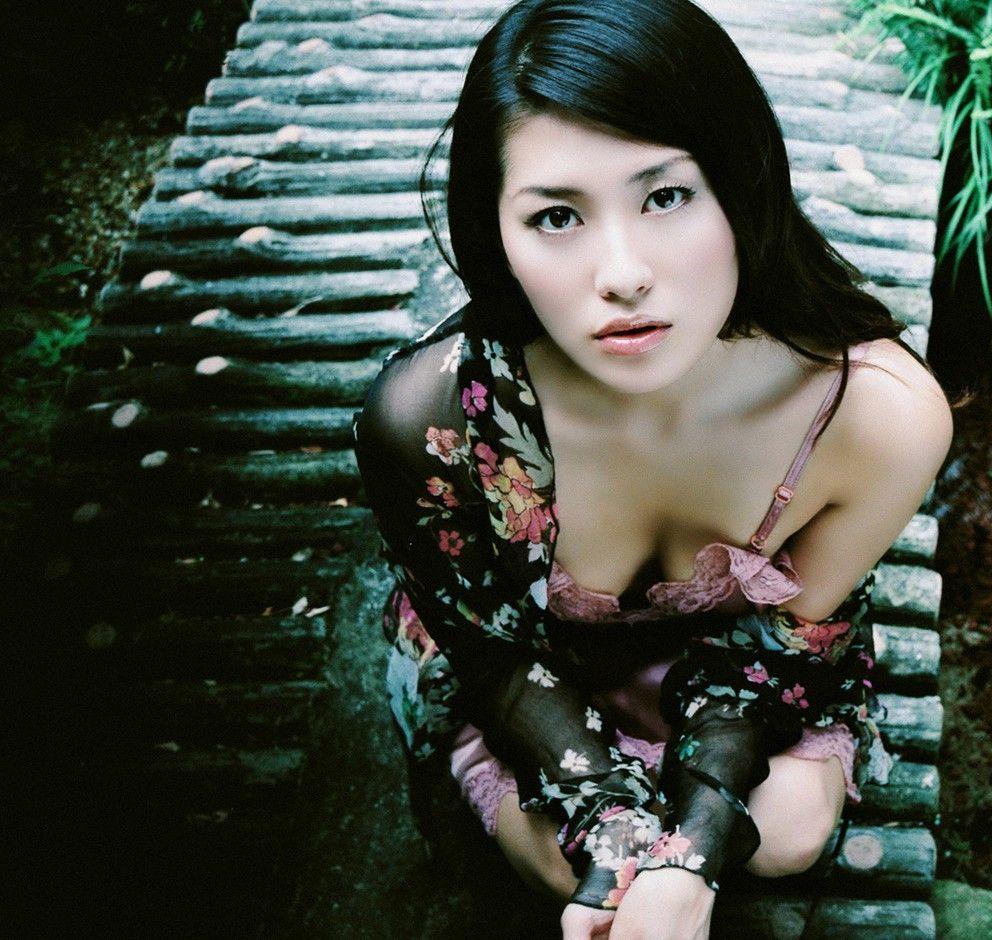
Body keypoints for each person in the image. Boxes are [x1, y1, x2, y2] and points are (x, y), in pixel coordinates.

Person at [351, 1, 956, 936]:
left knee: (788, 834)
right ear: (496, 231)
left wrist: (695, 847)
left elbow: (783, 646)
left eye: (665, 196)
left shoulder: (875, 415)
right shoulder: (427, 423)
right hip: (531, 681)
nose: (624, 274)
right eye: (557, 216)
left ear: (740, 183)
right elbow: (496, 660)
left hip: (751, 671)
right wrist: (618, 837)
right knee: (567, 868)